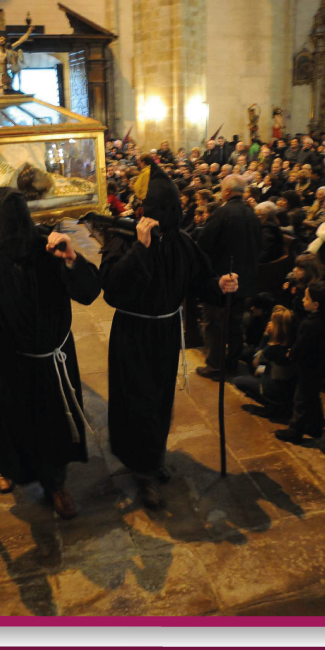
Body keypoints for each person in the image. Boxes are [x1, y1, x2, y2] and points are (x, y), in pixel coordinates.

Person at [0, 188, 101, 519]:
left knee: (56, 424)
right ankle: (7, 465)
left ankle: (56, 483)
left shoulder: (52, 250)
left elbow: (88, 293)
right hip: (14, 363)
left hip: (56, 358)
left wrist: (74, 260)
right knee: (13, 421)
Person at [99, 159, 238, 508]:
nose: (173, 214)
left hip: (164, 333)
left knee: (160, 400)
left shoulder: (181, 242)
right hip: (133, 332)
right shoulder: (124, 237)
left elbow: (199, 281)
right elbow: (112, 289)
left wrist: (219, 284)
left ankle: (152, 457)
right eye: (166, 209)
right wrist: (140, 249)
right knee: (138, 400)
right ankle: (142, 470)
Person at [196, 174, 262, 381]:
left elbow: (204, 244)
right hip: (244, 280)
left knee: (215, 323)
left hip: (223, 279)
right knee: (235, 325)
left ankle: (215, 366)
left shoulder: (222, 213)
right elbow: (259, 245)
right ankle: (232, 363)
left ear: (226, 192)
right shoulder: (252, 214)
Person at [272, 281, 325, 442]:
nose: (302, 300)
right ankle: (315, 426)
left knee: (301, 399)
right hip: (320, 367)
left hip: (309, 367)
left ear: (315, 305)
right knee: (313, 396)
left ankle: (295, 430)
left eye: (306, 299)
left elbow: (301, 345)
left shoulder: (310, 324)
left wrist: (290, 354)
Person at [233, 304, 299, 420]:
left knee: (238, 381)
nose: (269, 324)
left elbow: (256, 360)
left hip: (276, 391)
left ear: (279, 328)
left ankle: (271, 405)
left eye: (272, 322)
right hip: (289, 388)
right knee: (260, 368)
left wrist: (265, 336)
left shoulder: (273, 349)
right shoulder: (295, 345)